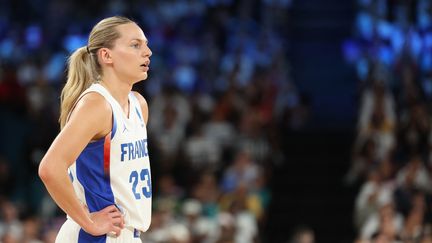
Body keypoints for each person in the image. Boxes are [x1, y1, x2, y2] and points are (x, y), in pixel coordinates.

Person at [38, 16, 153, 242]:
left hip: (127, 235)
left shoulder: (139, 104)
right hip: (98, 236)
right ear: (106, 55)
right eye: (135, 45)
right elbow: (50, 168)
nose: (147, 52)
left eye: (146, 44)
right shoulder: (97, 104)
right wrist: (88, 221)